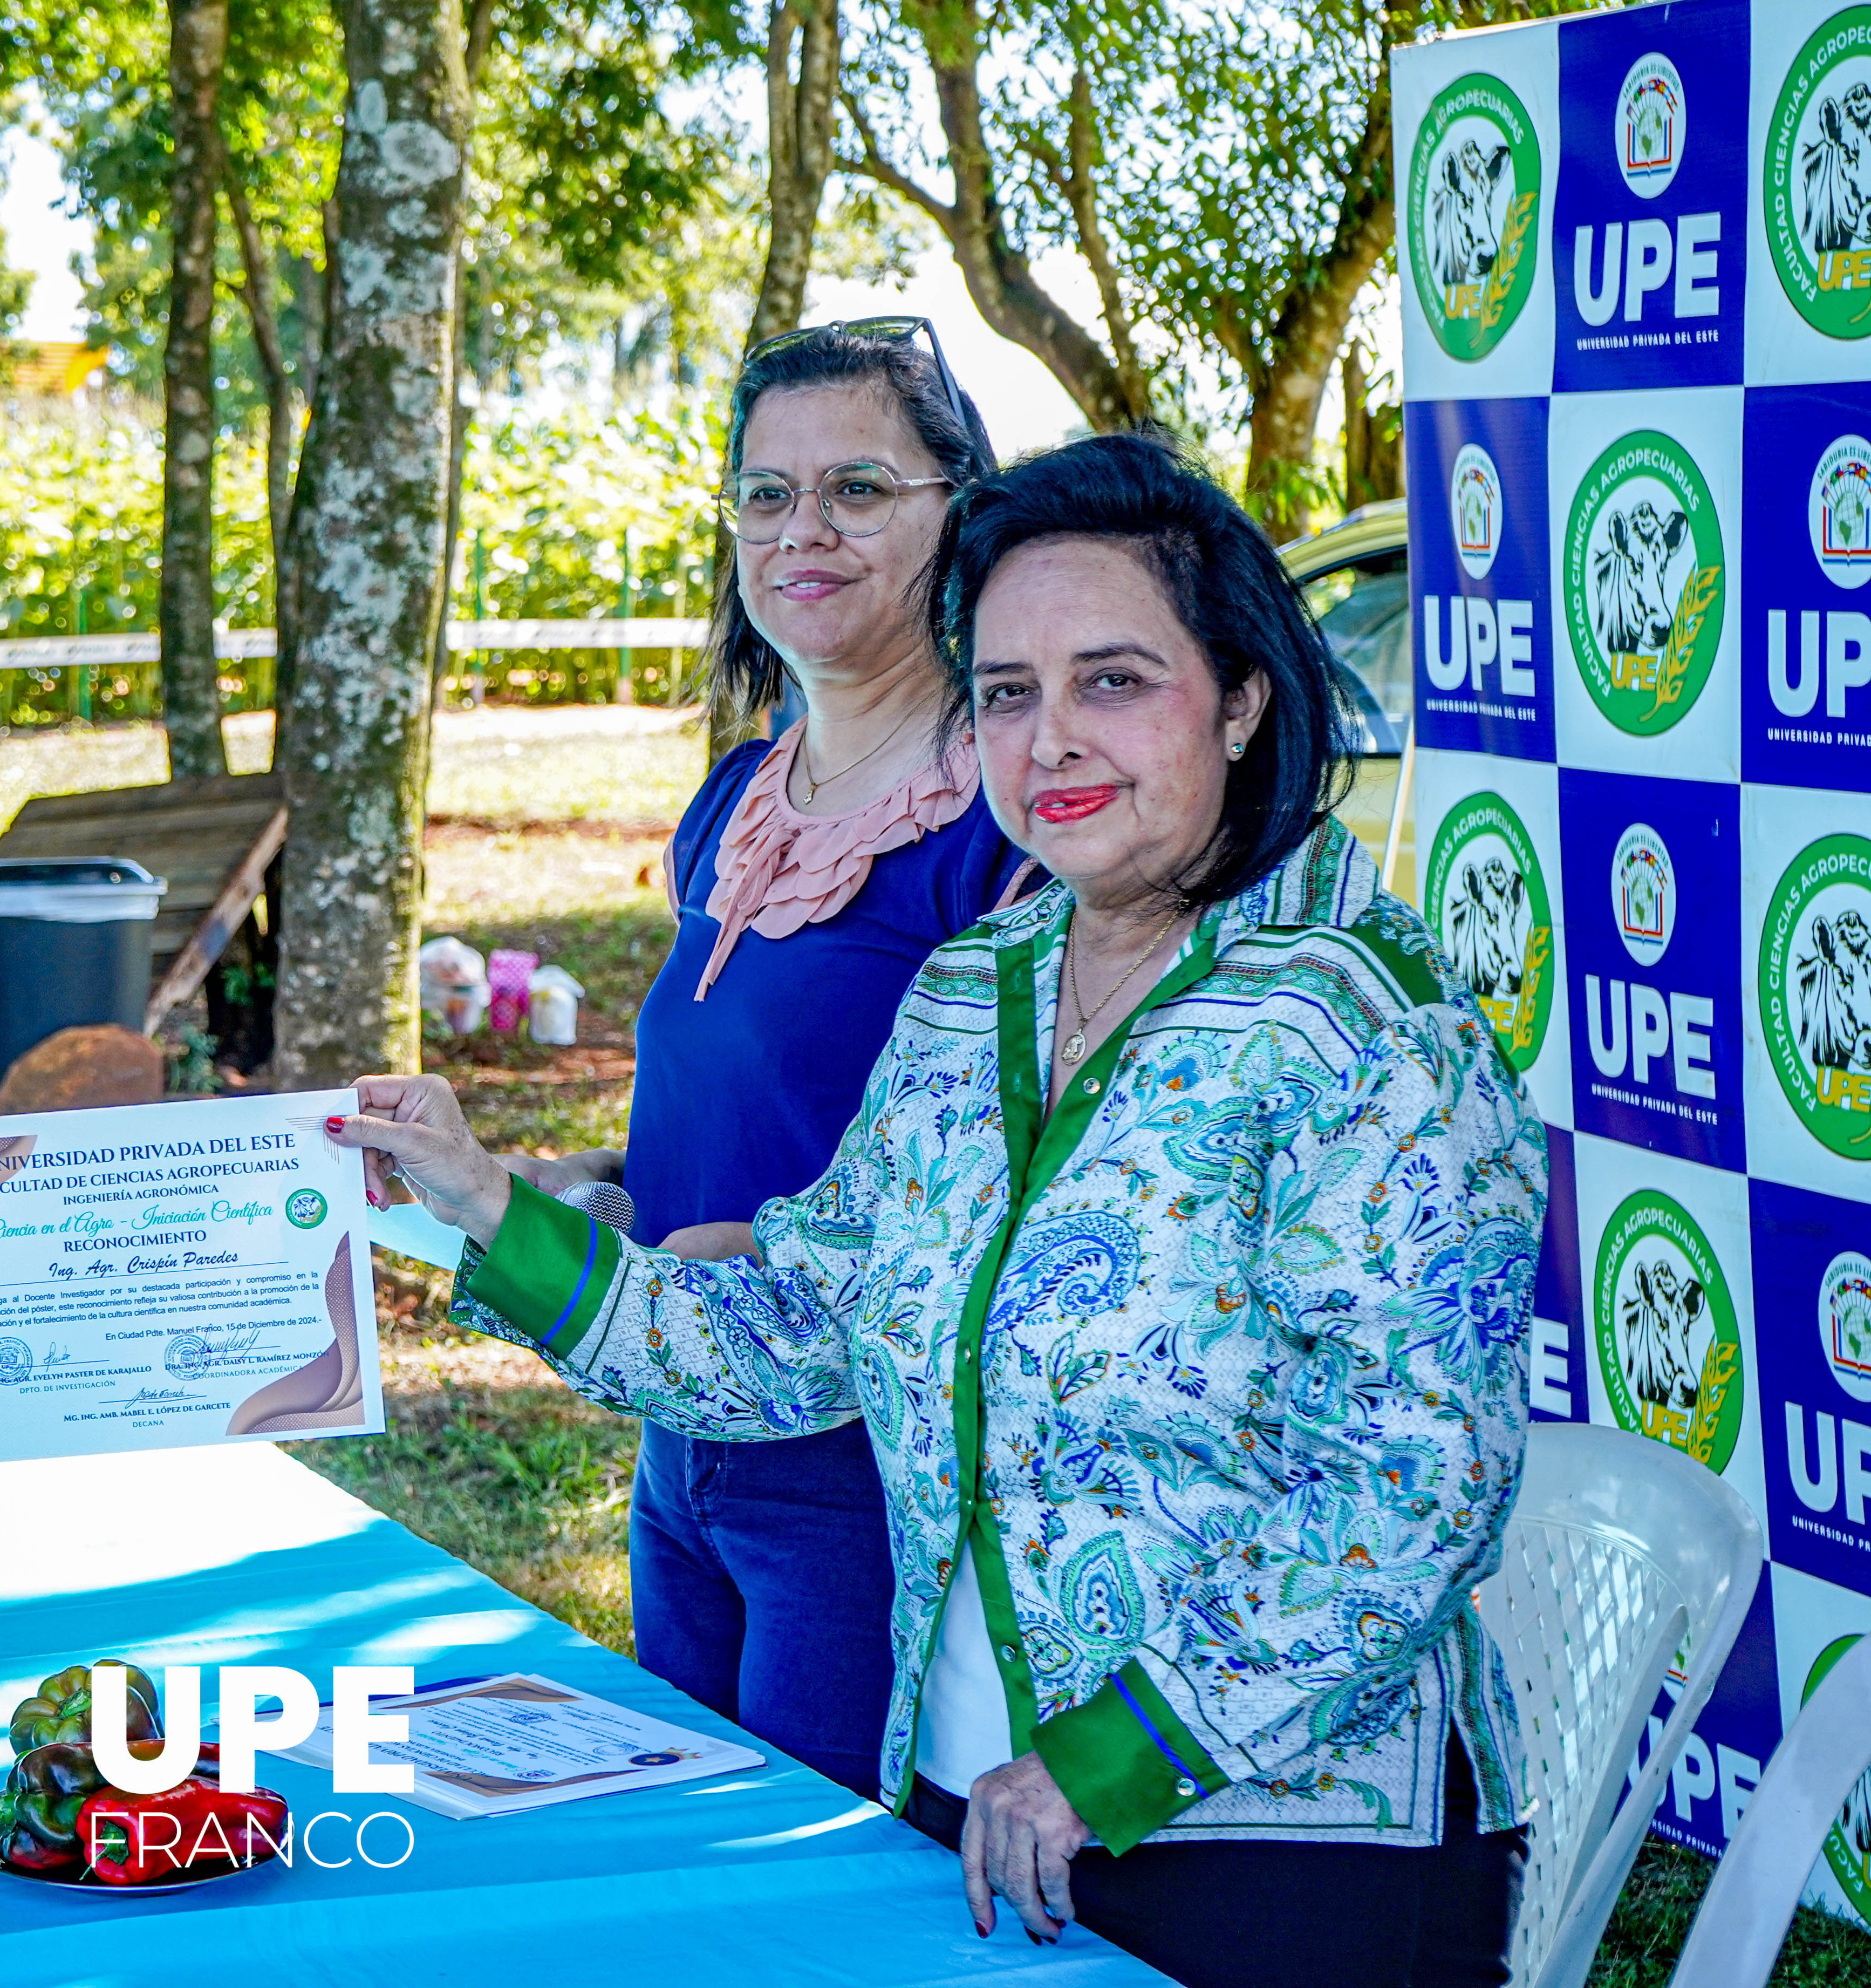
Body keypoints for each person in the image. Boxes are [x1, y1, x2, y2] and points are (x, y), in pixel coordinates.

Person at [343, 431, 1545, 1988]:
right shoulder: (976, 990)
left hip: (1278, 1841)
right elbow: (795, 1340)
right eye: (1004, 692)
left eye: (1113, 681)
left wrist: (1109, 1765)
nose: (1050, 741)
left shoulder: (1364, 1025)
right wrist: (479, 1202)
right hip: (966, 1803)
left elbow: (1415, 1479)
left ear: (1243, 701)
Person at [500, 318, 1032, 1803]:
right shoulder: (734, 798)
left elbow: (1024, 1170)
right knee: (680, 1866)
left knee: (818, 1886)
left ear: (960, 509)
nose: (805, 530)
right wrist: (594, 1186)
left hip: (858, 1468)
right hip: (684, 1434)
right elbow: (748, 1104)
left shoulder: (1005, 823)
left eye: (860, 489)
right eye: (767, 494)